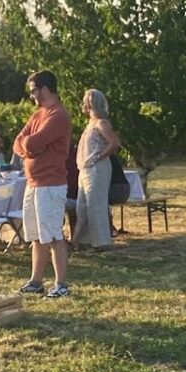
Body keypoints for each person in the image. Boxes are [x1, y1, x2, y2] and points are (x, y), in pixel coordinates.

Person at [12, 70, 72, 298]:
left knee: (53, 234)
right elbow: (19, 143)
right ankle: (36, 281)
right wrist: (29, 147)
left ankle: (61, 284)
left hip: (50, 184)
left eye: (33, 91)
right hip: (34, 183)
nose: (31, 96)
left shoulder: (58, 116)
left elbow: (33, 141)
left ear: (45, 89)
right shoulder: (38, 114)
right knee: (37, 235)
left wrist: (29, 146)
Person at [74, 89, 121, 251]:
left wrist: (98, 157)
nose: (83, 105)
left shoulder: (102, 123)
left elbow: (114, 143)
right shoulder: (91, 124)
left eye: (85, 102)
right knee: (82, 206)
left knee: (95, 205)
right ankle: (83, 240)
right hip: (85, 168)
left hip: (96, 168)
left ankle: (101, 242)